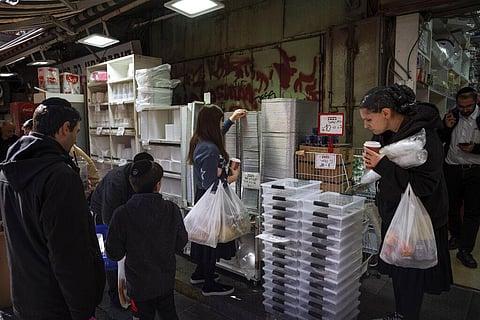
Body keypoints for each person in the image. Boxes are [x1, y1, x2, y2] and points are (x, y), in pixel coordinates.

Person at [0, 97, 105, 320]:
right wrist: (82, 311)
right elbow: (68, 255)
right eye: (76, 131)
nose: (76, 138)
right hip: (57, 304)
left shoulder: (9, 170)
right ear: (64, 129)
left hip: (24, 296)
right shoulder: (59, 176)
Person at [359, 84, 452, 320]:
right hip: (395, 211)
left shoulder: (426, 136)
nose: (366, 126)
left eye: (369, 119)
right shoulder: (385, 133)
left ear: (386, 113)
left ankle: (406, 315)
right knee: (400, 270)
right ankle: (400, 313)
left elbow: (423, 186)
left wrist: (382, 165)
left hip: (419, 218)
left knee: (411, 275)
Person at [106, 160, 188, 320]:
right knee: (169, 313)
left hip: (138, 285)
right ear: (158, 185)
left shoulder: (121, 214)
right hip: (165, 280)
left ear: (132, 184)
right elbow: (181, 242)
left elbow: (114, 253)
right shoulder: (171, 209)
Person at [187, 105, 247, 296]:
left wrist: (232, 120)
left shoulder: (199, 141)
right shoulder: (211, 149)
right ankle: (209, 284)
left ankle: (199, 274)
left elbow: (218, 134)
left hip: (203, 198)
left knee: (204, 238)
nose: (222, 124)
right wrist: (232, 177)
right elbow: (210, 183)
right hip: (211, 198)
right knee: (212, 239)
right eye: (221, 121)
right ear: (212, 124)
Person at [90, 151, 154, 308]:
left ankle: (128, 291)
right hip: (101, 216)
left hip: (121, 215)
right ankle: (115, 296)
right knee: (111, 257)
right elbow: (108, 218)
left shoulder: (141, 179)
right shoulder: (116, 182)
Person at [438, 86, 480, 268]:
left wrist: (476, 148)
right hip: (452, 168)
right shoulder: (452, 115)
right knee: (451, 207)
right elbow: (439, 138)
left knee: (473, 212)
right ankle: (455, 236)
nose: (464, 110)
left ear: (476, 100)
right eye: (461, 106)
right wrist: (446, 127)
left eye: (468, 106)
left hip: (475, 170)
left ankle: (465, 250)